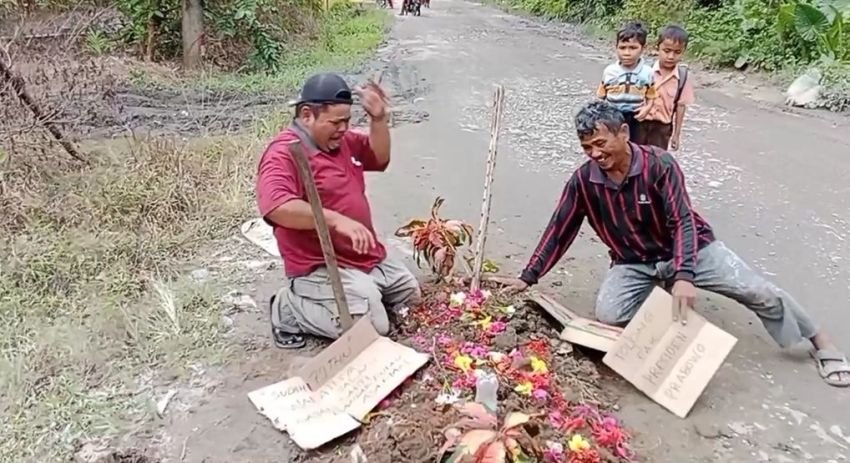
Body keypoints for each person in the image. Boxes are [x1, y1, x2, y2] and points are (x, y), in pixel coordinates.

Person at [498, 101, 850, 388]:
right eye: (587, 147)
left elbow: (683, 220)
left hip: (690, 247)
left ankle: (819, 339)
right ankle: (669, 304)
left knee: (755, 289)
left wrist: (684, 274)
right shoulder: (584, 181)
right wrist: (528, 277)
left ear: (623, 133)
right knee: (610, 313)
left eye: (601, 143)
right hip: (632, 260)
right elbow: (560, 228)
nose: (595, 154)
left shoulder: (660, 165)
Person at [255, 72, 420, 348]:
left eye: (348, 120)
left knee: (409, 295)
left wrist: (378, 119)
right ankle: (289, 308)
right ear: (307, 115)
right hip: (320, 264)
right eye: (336, 122)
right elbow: (276, 207)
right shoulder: (284, 153)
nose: (344, 128)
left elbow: (379, 158)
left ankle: (364, 294)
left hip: (363, 255)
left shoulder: (340, 141)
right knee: (374, 330)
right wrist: (333, 219)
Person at [596, 21, 657, 142]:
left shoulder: (648, 73)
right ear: (616, 48)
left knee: (634, 146)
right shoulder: (609, 72)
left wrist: (647, 108)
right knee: (613, 144)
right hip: (613, 116)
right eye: (622, 48)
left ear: (642, 49)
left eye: (633, 48)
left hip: (636, 118)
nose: (627, 53)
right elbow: (600, 97)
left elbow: (651, 96)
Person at [641, 25, 695, 151]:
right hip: (639, 124)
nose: (671, 56)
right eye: (666, 51)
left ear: (684, 51)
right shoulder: (644, 71)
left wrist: (676, 134)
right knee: (635, 160)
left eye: (677, 52)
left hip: (662, 128)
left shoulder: (682, 77)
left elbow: (681, 106)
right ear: (657, 48)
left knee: (657, 162)